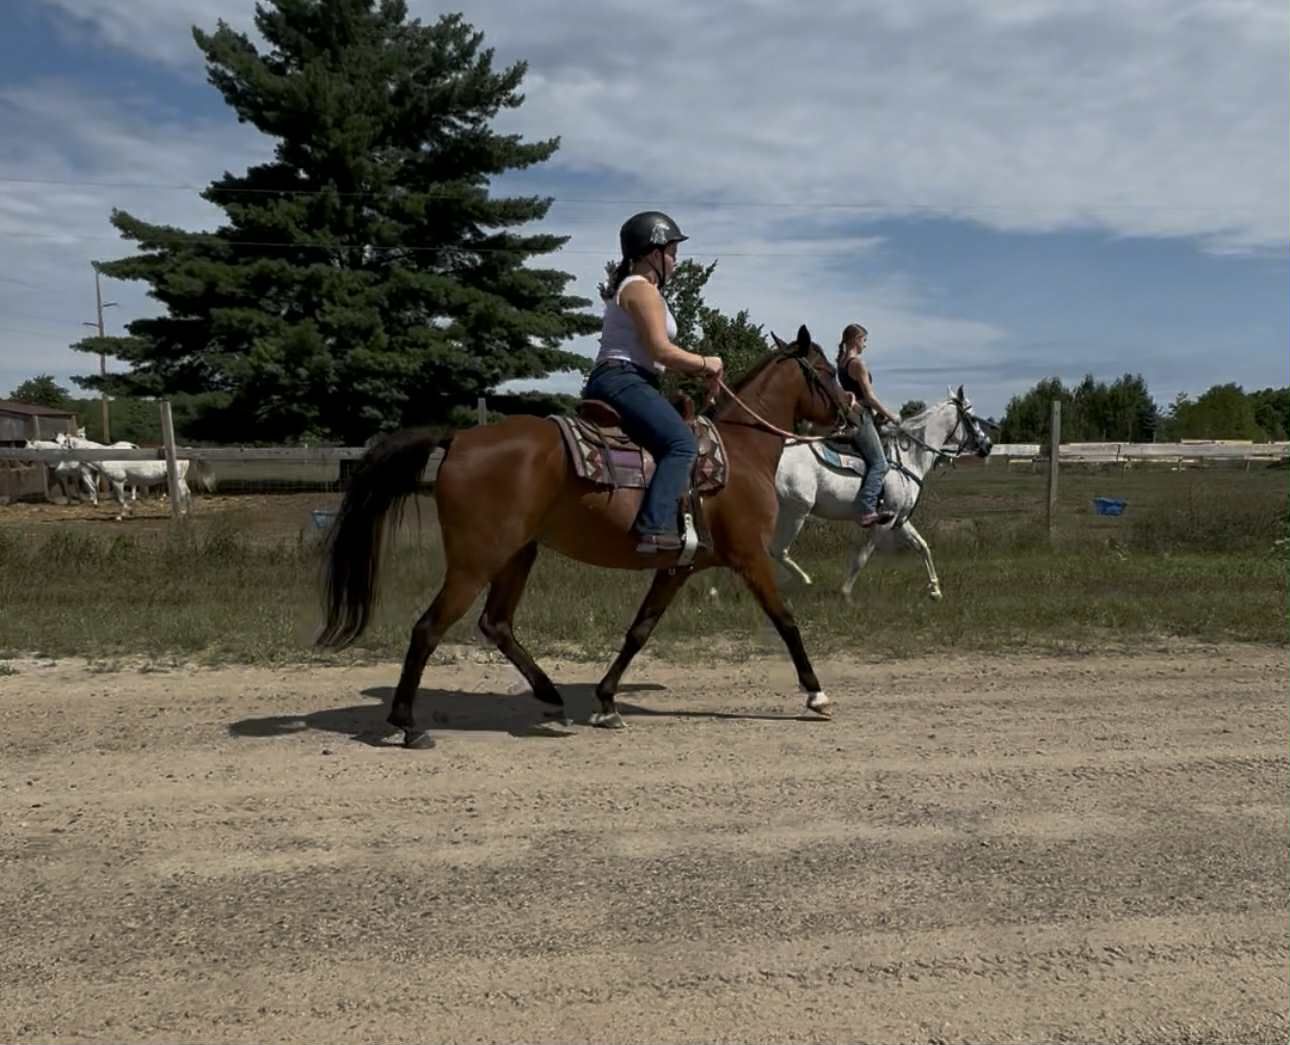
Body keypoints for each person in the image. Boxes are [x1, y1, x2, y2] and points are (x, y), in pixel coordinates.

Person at [581, 211, 724, 553]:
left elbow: (657, 358)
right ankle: (654, 529)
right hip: (622, 378)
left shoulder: (640, 289)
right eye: (672, 252)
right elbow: (661, 350)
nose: (675, 261)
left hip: (629, 378)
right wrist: (709, 363)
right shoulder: (641, 290)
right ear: (652, 252)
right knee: (682, 444)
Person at [836, 323, 898, 527]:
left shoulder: (841, 362)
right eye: (864, 340)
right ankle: (867, 508)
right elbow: (870, 397)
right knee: (881, 463)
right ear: (856, 339)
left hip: (851, 415)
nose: (866, 344)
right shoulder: (857, 363)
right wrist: (891, 415)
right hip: (861, 417)